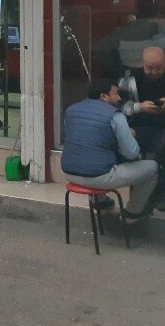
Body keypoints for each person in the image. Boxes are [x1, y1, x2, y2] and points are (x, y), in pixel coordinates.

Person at [62, 78, 159, 219]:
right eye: (116, 93)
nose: (119, 98)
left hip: (70, 173)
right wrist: (131, 136)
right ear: (104, 96)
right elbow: (131, 153)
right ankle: (133, 213)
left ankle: (101, 203)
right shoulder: (115, 115)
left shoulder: (71, 110)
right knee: (152, 168)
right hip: (98, 177)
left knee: (96, 157)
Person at [118, 46, 165, 167]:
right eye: (150, 68)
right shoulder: (130, 79)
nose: (154, 71)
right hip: (138, 125)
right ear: (142, 64)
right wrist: (139, 107)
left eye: (159, 67)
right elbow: (118, 105)